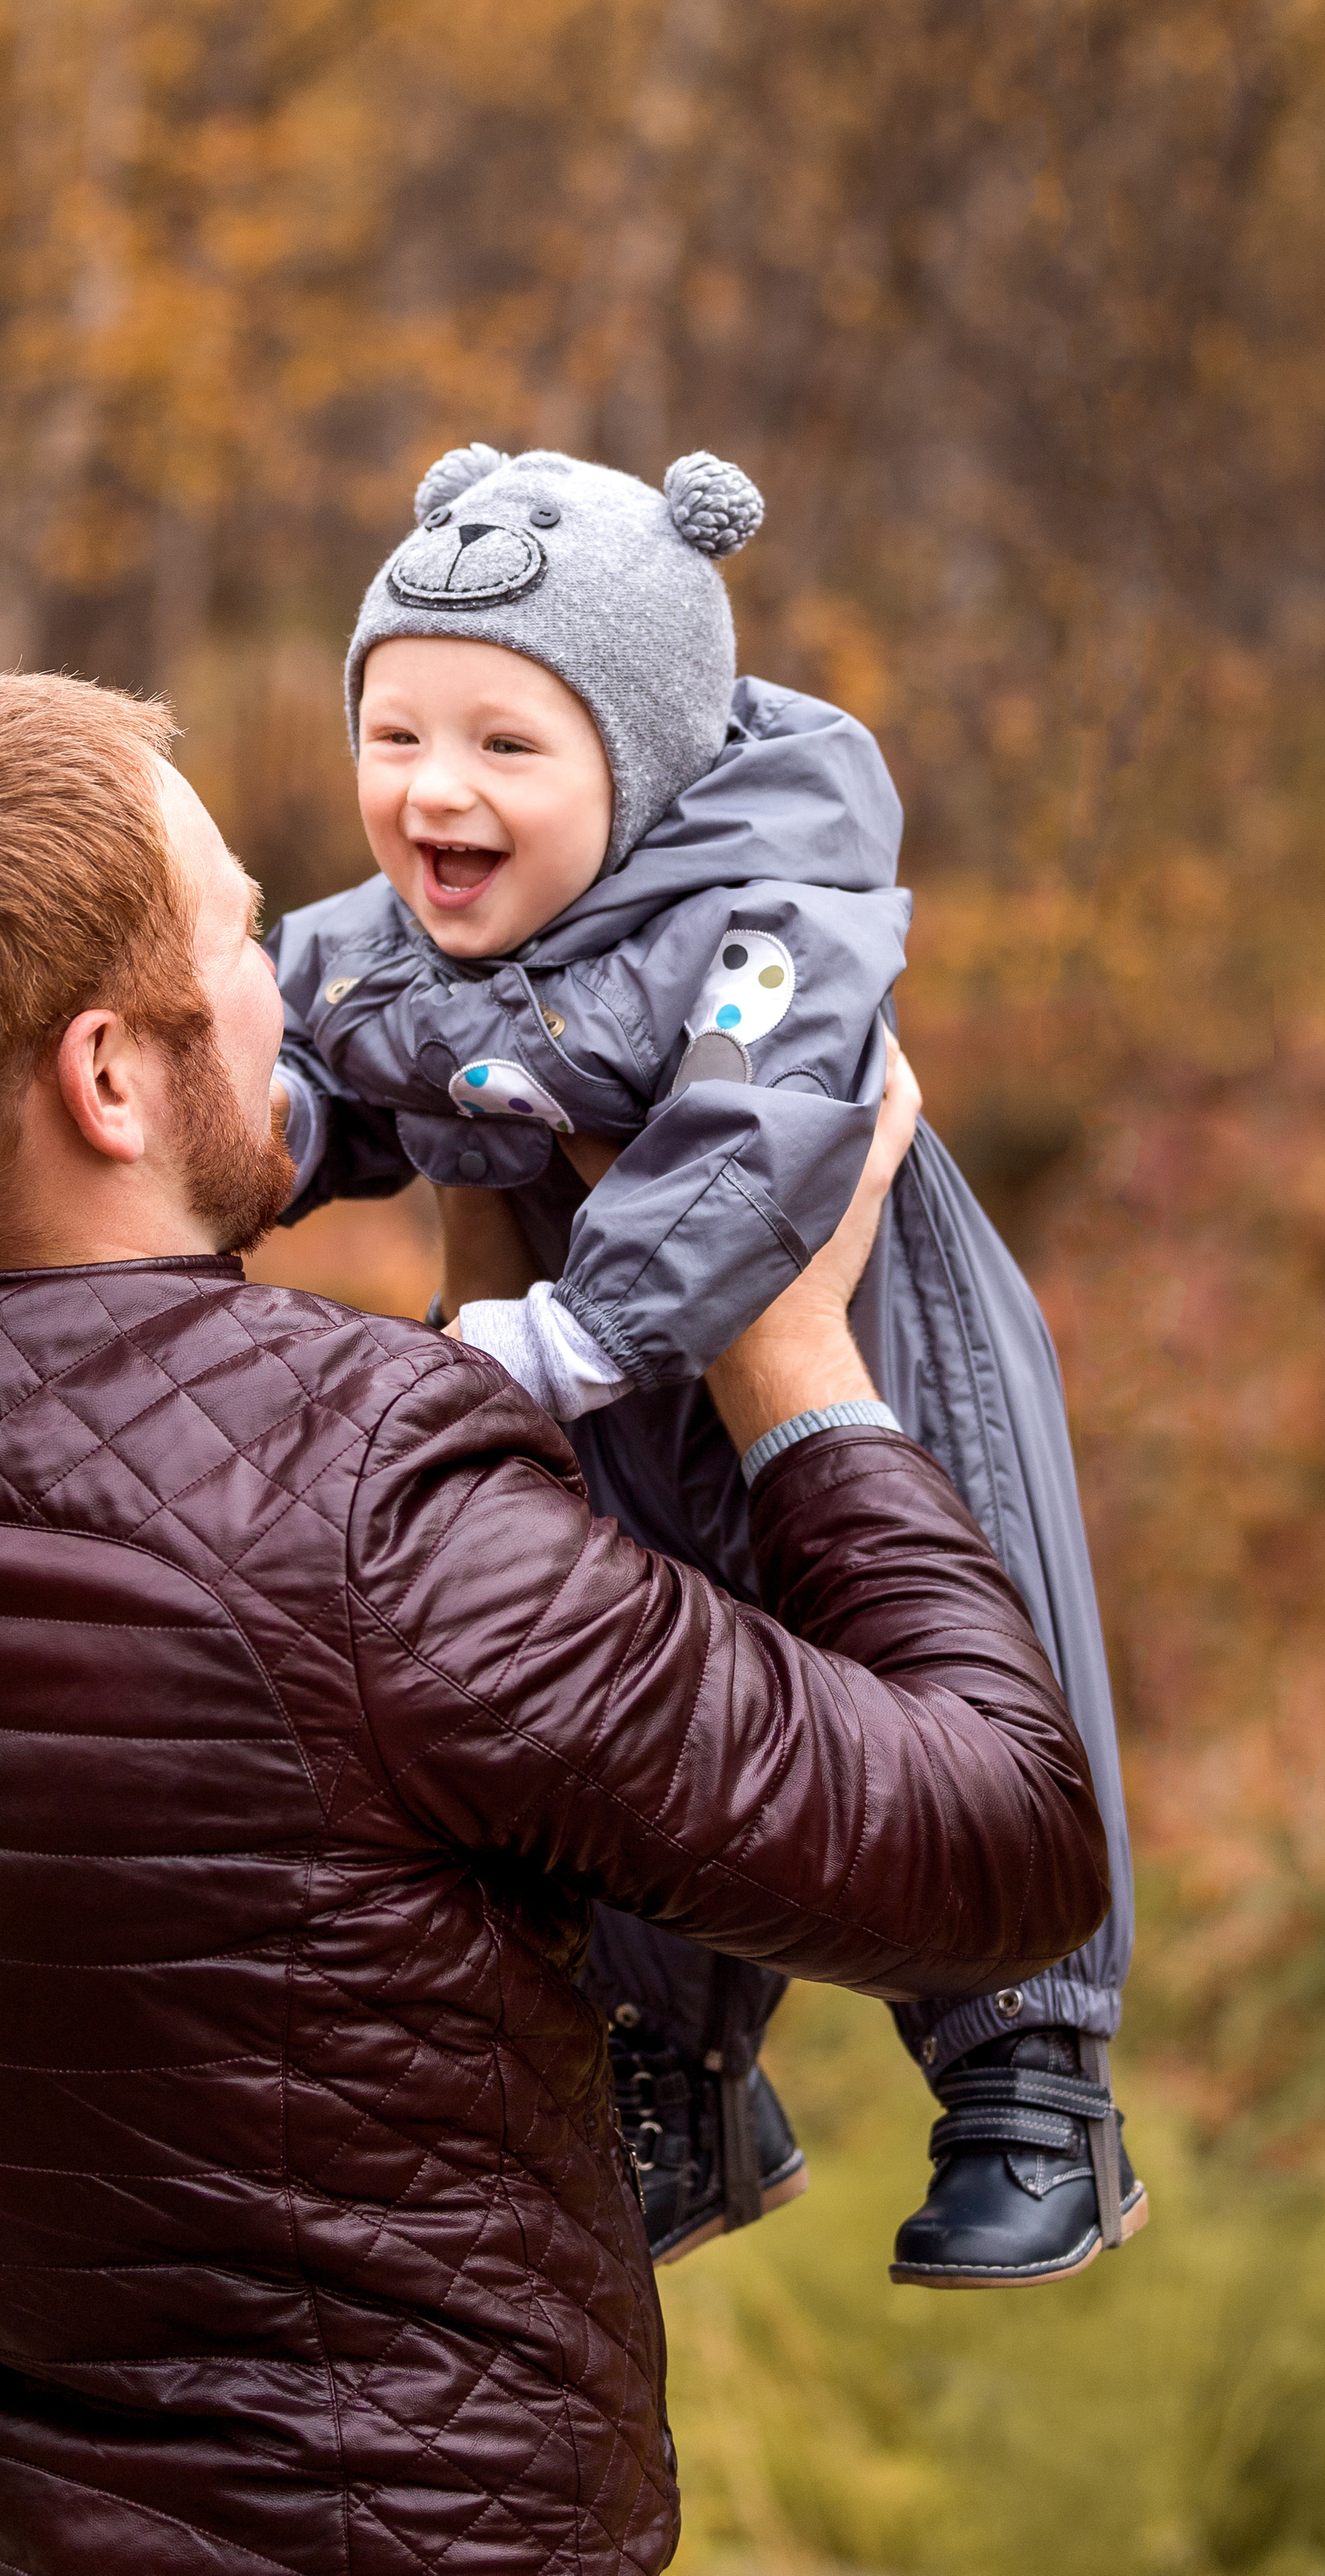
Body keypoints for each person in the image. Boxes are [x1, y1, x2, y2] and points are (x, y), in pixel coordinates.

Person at [0, 670, 1108, 2576]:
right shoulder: (356, 1499)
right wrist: (796, 1366)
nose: (305, 983)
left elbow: (259, 1800)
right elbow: (997, 1845)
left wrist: (488, 1327)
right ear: (107, 1078)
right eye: (248, 936)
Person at [267, 441, 1142, 2287]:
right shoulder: (384, 948)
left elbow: (752, 1137)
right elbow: (297, 1059)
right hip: (600, 1409)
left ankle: (1030, 2071)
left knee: (960, 1654)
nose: (435, 791)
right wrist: (230, 1149)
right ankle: (678, 2073)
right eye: (393, 735)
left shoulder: (762, 932)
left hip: (860, 1368)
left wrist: (557, 1335)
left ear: (642, 757)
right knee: (602, 1709)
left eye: (508, 746)